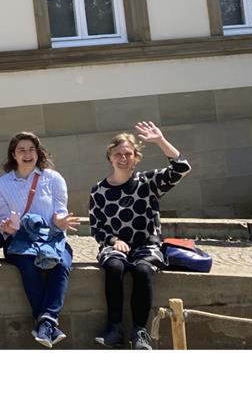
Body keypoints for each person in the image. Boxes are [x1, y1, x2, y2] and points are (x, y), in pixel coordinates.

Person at [89, 121, 190, 350]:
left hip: (147, 245)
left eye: (128, 154)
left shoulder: (148, 182)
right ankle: (114, 328)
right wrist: (114, 241)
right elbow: (97, 228)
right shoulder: (98, 190)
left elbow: (181, 167)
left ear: (135, 157)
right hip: (116, 246)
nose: (123, 158)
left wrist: (160, 141)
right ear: (110, 157)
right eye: (118, 154)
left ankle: (140, 332)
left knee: (143, 270)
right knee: (114, 267)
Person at [0, 131, 80, 348]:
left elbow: (59, 210)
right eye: (21, 150)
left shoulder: (53, 178)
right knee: (29, 265)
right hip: (21, 241)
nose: (27, 154)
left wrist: (61, 221)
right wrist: (8, 227)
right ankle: (47, 324)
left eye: (31, 149)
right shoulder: (3, 183)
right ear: (13, 155)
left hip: (52, 238)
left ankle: (45, 321)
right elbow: (1, 217)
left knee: (61, 264)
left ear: (38, 152)